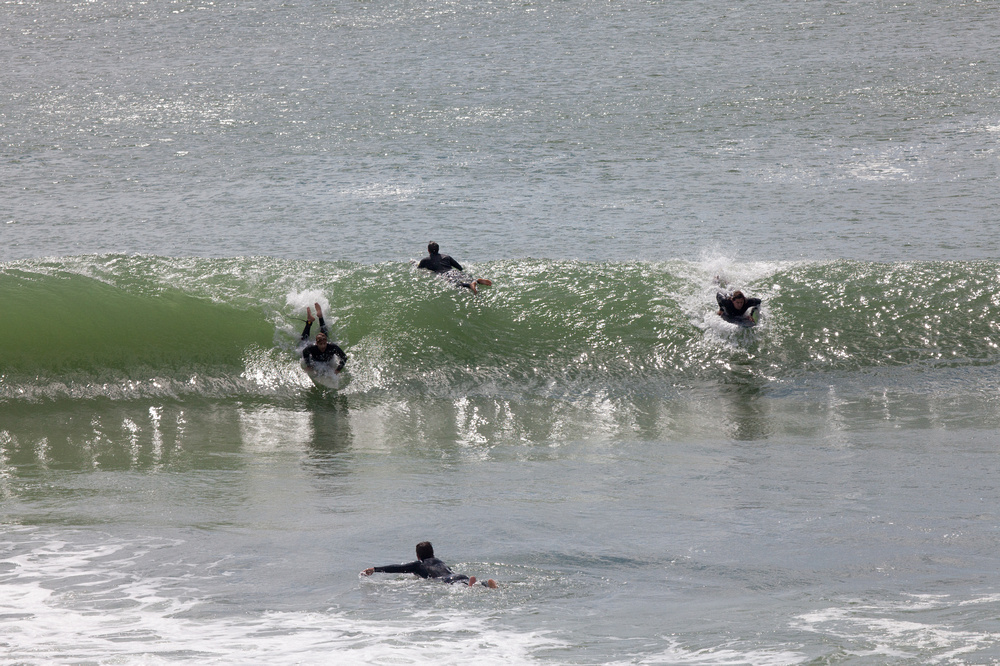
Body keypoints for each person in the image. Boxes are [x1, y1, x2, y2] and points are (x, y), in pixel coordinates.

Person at [360, 541, 498, 588]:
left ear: (418, 555)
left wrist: (375, 569)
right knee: (465, 582)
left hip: (446, 580)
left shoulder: (418, 565)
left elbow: (398, 568)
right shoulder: (439, 561)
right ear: (432, 553)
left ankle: (472, 586)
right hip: (457, 575)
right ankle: (485, 584)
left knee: (462, 587)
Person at [417, 242, 493, 294]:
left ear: (428, 250)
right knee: (465, 277)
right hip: (454, 271)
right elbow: (460, 268)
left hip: (445, 274)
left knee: (456, 284)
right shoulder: (446, 257)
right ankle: (476, 281)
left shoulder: (425, 260)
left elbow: (419, 270)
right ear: (438, 249)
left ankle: (469, 285)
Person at [300, 302, 347, 375]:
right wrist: (309, 365)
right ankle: (309, 322)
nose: (323, 346)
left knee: (324, 335)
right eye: (320, 344)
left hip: (324, 342)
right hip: (315, 354)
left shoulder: (332, 347)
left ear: (326, 342)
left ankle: (319, 317)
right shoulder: (312, 348)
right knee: (303, 341)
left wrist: (338, 369)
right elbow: (304, 352)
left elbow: (344, 357)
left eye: (324, 344)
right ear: (316, 343)